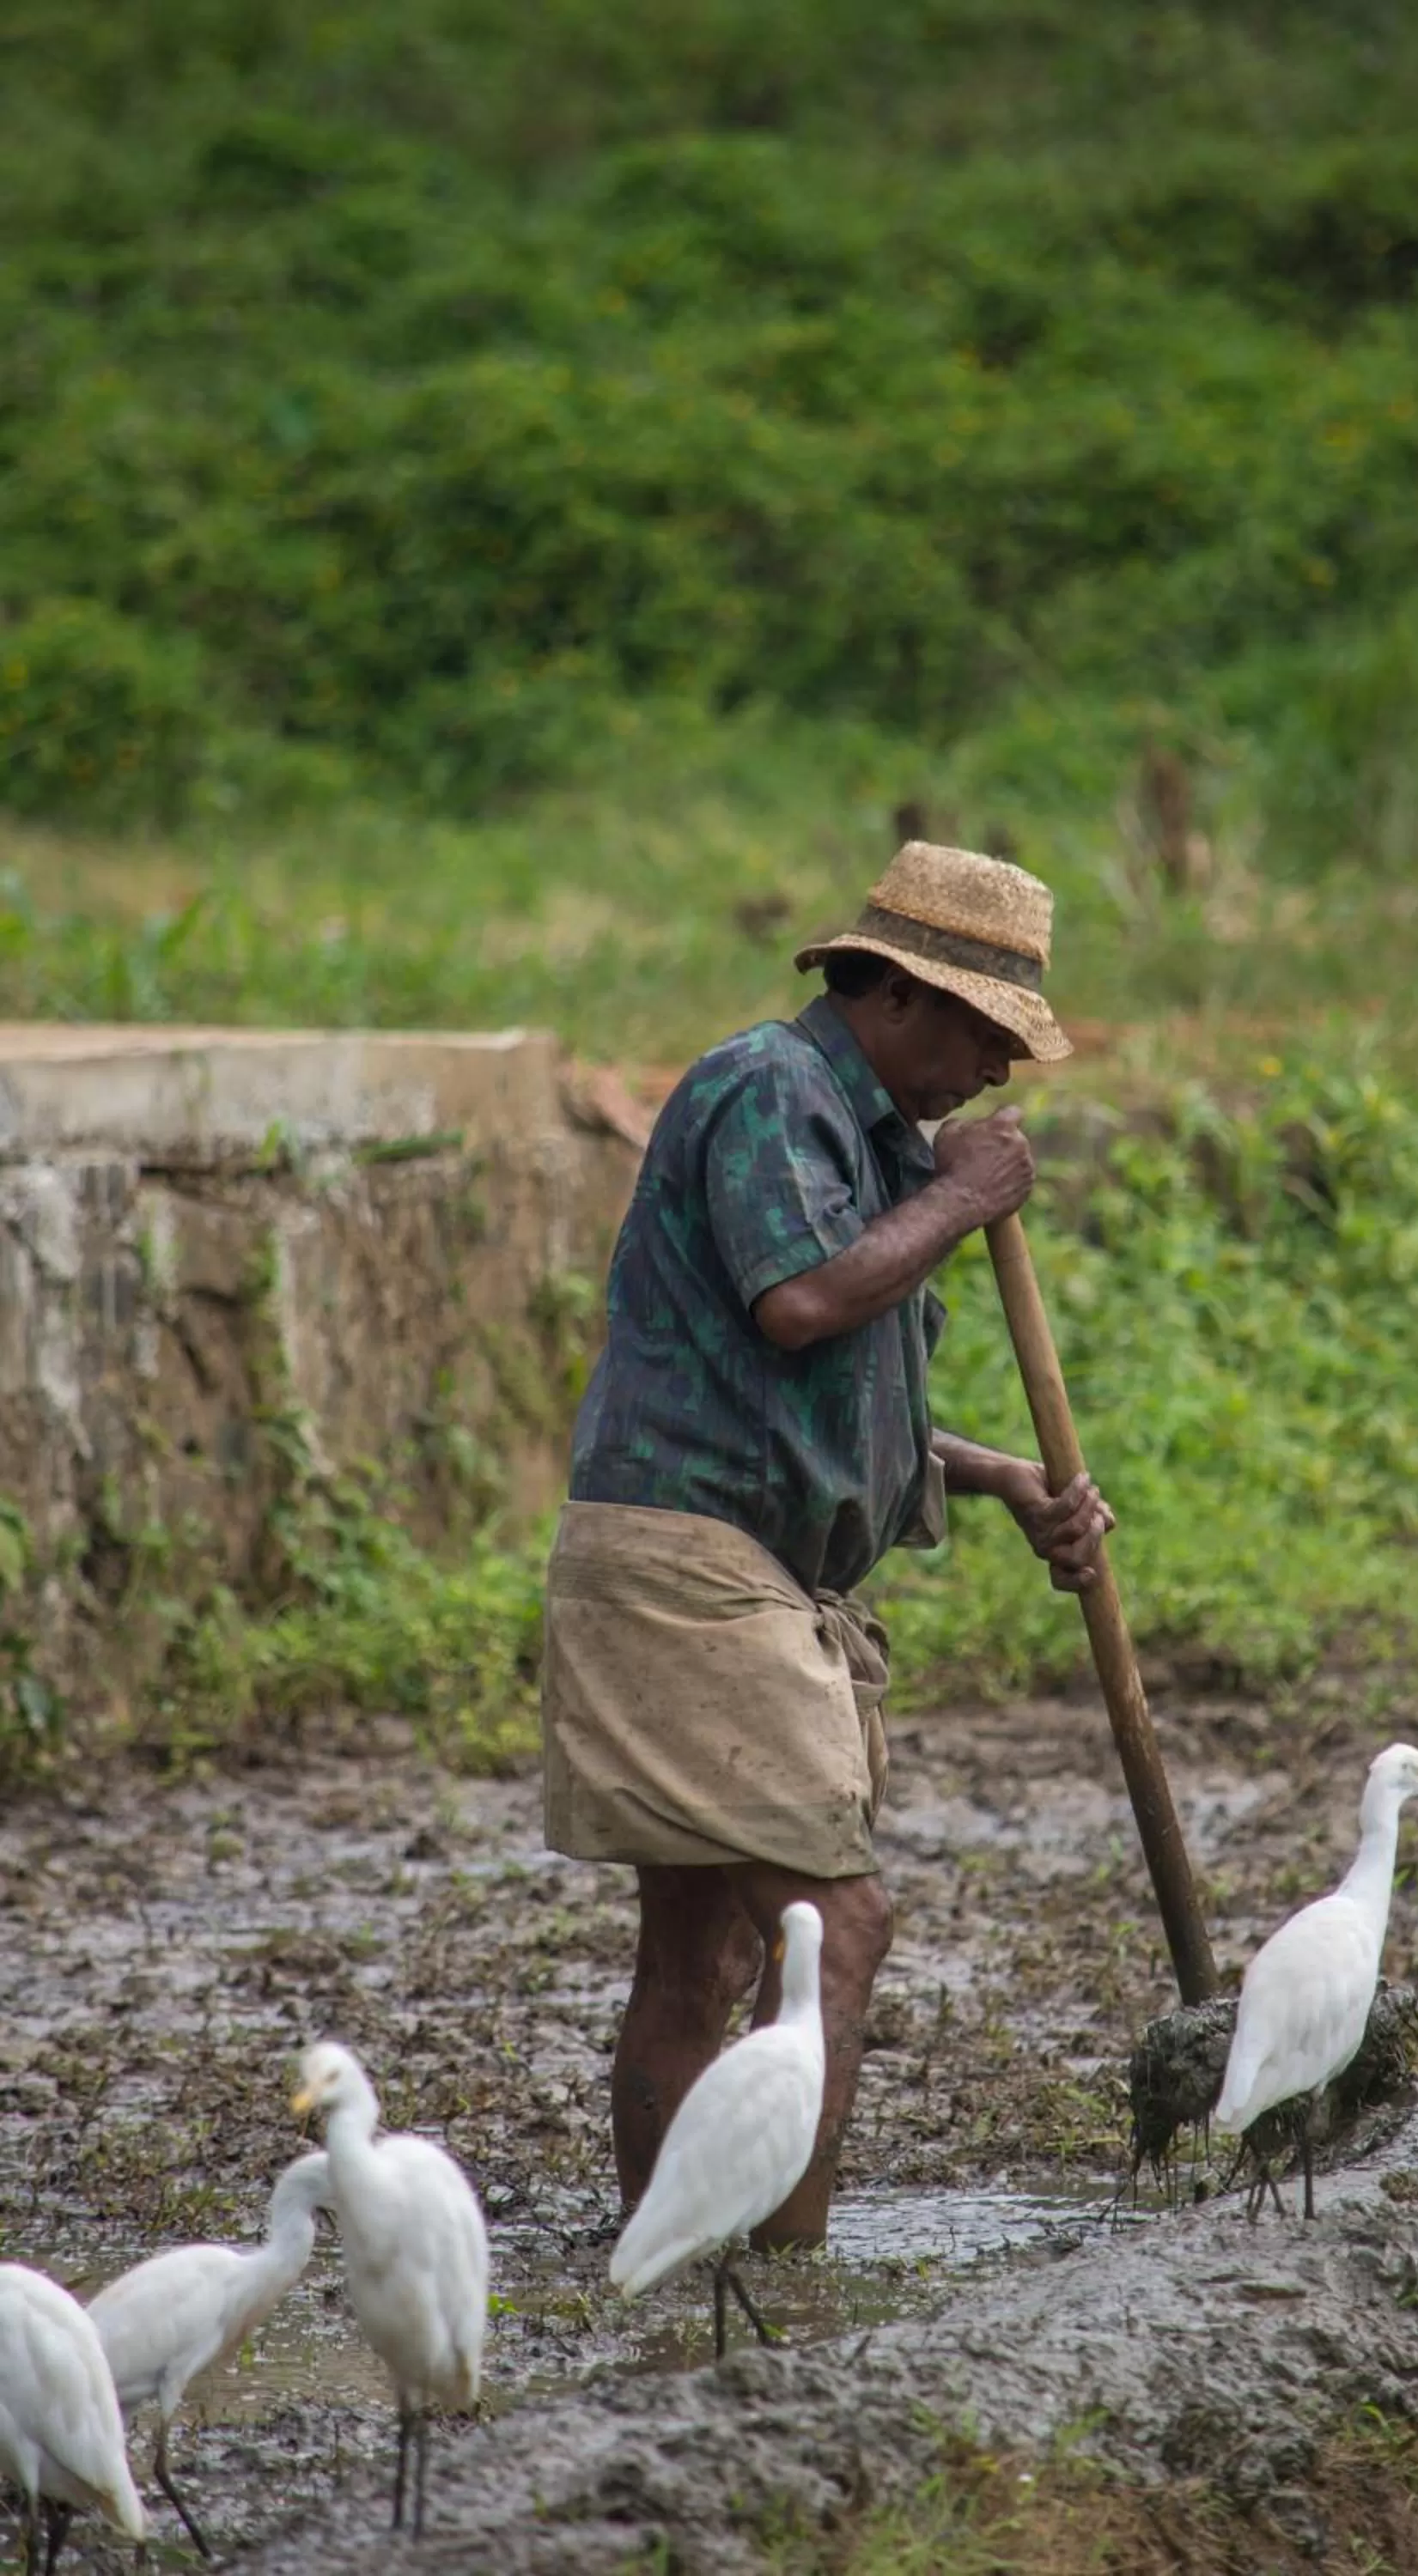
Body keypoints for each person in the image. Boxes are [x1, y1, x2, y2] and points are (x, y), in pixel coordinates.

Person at [541, 841, 1114, 2248]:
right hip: (690, 1571)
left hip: (747, 1567)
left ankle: (668, 2260)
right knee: (836, 1928)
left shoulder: (874, 1146)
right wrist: (960, 1199)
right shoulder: (768, 1089)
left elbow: (823, 1395)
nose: (998, 1070)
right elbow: (799, 1305)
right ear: (900, 995)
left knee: (706, 1950)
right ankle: (785, 2281)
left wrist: (1003, 1478)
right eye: (987, 1034)